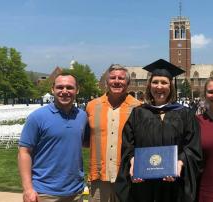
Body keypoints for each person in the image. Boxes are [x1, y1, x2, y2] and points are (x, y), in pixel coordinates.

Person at [115, 59, 203, 202]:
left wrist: (180, 162)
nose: (159, 86)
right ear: (149, 86)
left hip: (175, 184)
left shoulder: (185, 114)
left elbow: (193, 147)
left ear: (171, 86)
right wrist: (133, 161)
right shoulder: (138, 113)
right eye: (155, 82)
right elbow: (127, 145)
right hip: (144, 184)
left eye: (164, 82)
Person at [18, 72, 87, 202]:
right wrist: (27, 189)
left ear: (77, 90)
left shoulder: (82, 116)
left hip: (76, 192)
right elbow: (24, 152)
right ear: (52, 89)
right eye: (60, 87)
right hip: (44, 193)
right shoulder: (37, 117)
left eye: (70, 87)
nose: (64, 91)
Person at [85, 64, 141, 202]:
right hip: (99, 178)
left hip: (127, 177)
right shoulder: (92, 106)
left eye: (121, 78)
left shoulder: (138, 108)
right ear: (106, 82)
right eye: (112, 78)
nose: (116, 81)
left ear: (128, 83)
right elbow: (86, 140)